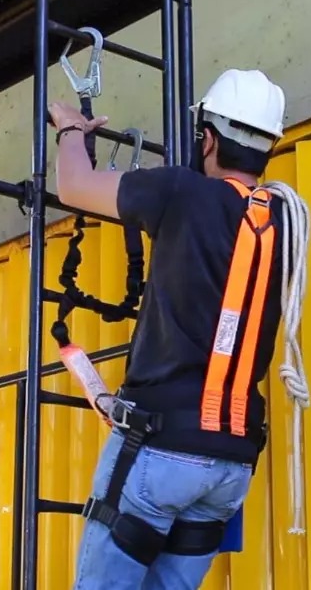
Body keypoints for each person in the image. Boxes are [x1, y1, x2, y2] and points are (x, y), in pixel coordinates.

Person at [48, 68, 288, 589]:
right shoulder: (282, 223)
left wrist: (70, 130)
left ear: (207, 138)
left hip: (161, 450)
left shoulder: (181, 193)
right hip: (231, 463)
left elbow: (73, 186)